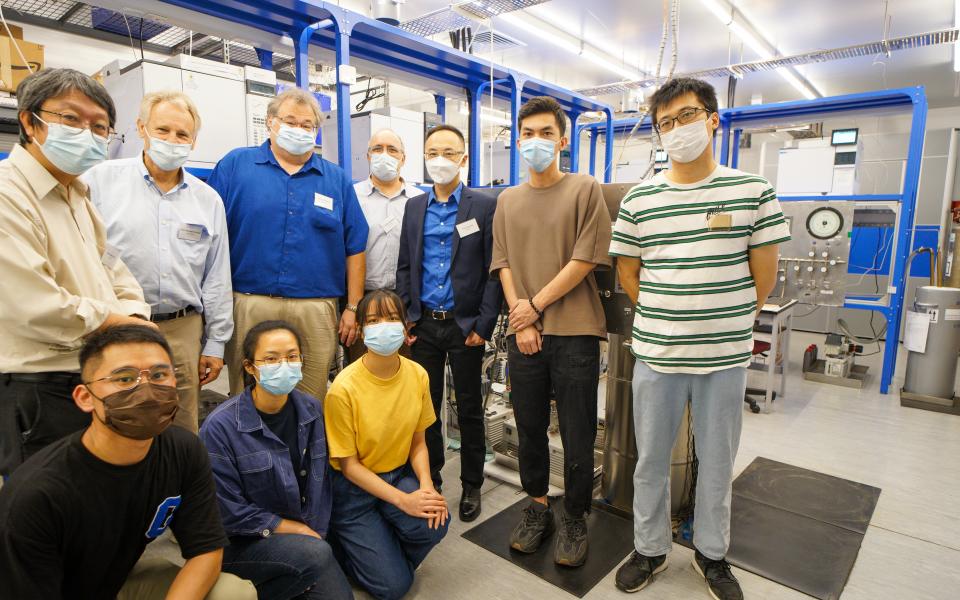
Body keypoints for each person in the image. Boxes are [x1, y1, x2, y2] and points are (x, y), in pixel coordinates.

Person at [610, 78, 790, 600]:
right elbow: (628, 273)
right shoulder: (641, 199)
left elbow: (764, 277)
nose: (676, 130)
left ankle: (712, 556)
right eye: (665, 123)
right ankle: (649, 548)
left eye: (686, 117)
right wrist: (671, 318)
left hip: (723, 358)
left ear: (712, 119)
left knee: (717, 460)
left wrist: (721, 321)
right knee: (650, 461)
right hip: (657, 356)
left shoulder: (751, 191)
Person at [0, 325, 256, 600]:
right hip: (53, 588)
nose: (145, 389)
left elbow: (206, 550)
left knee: (231, 593)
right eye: (124, 378)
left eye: (159, 375)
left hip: (120, 579)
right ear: (85, 397)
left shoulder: (183, 449)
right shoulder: (38, 494)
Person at [0, 68, 152, 477]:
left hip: (91, 374)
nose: (87, 132)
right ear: (31, 122)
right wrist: (122, 324)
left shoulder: (77, 194)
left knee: (94, 498)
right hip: (39, 385)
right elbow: (32, 305)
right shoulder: (8, 194)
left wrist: (135, 315)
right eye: (71, 119)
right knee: (48, 513)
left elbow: (114, 270)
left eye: (99, 126)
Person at [490, 96, 612, 567]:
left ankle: (576, 516)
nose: (536, 141)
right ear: (518, 141)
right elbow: (503, 263)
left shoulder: (585, 190)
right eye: (528, 133)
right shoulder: (507, 200)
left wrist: (534, 308)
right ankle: (538, 506)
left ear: (563, 140)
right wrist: (523, 319)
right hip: (526, 333)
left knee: (579, 433)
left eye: (546, 133)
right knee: (531, 428)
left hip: (574, 331)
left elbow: (585, 259)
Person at [83, 90, 233, 433]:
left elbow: (216, 275)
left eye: (182, 134)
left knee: (180, 420)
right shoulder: (100, 182)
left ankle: (176, 486)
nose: (172, 140)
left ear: (193, 142)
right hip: (117, 321)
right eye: (162, 130)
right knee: (117, 414)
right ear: (141, 128)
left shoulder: (207, 200)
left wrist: (215, 342)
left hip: (183, 329)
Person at [207, 87, 368, 399]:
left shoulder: (335, 179)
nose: (299, 130)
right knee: (248, 393)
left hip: (316, 307)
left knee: (312, 395)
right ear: (271, 122)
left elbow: (355, 244)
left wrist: (352, 306)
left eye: (307, 125)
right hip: (248, 302)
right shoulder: (236, 166)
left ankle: (308, 449)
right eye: (290, 121)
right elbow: (212, 239)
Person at [200, 321, 352, 600]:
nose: (284, 365)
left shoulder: (311, 408)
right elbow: (228, 512)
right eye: (271, 358)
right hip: (243, 542)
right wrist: (300, 533)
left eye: (292, 357)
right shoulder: (219, 427)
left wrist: (313, 535)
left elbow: (319, 487)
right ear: (249, 366)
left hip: (302, 536)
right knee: (316, 554)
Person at [396, 123, 502, 521]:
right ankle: (433, 478)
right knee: (426, 407)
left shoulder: (483, 205)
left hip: (465, 325)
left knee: (470, 406)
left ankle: (472, 483)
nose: (439, 159)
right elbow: (406, 265)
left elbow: (494, 269)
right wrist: (408, 313)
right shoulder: (414, 206)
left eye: (448, 152)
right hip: (424, 323)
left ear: (464, 158)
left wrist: (484, 324)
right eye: (432, 152)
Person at [324, 289, 448, 600]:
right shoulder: (343, 389)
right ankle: (347, 547)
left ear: (407, 329)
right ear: (362, 331)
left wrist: (426, 485)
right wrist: (403, 502)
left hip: (396, 474)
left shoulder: (417, 375)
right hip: (353, 490)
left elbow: (418, 441)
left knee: (437, 521)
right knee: (394, 588)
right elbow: (349, 466)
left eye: (392, 318)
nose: (384, 326)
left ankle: (380, 545)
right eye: (374, 320)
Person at [347, 128, 421, 363]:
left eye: (392, 149)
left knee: (406, 372)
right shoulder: (351, 196)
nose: (384, 154)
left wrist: (413, 310)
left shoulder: (419, 200)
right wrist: (351, 307)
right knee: (363, 372)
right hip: (362, 301)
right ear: (368, 156)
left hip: (404, 304)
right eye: (377, 149)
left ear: (403, 158)